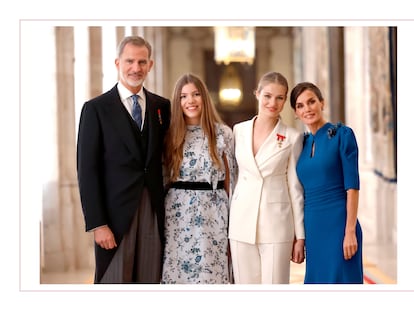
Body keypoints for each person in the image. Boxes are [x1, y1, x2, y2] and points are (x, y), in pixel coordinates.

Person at [76, 35, 171, 283]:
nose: (135, 68)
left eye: (142, 62)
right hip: (114, 217)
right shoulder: (95, 109)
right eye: (130, 61)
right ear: (117, 63)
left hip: (152, 210)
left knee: (150, 280)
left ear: (150, 65)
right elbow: (87, 171)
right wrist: (98, 224)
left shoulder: (163, 107)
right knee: (113, 283)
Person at [228, 71, 305, 284]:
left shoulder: (292, 136)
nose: (273, 102)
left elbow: (295, 188)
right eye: (268, 96)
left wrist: (300, 236)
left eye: (280, 98)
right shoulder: (238, 131)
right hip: (241, 221)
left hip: (276, 223)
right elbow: (233, 178)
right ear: (257, 94)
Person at [161, 73, 237, 284]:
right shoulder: (169, 135)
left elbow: (231, 182)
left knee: (211, 274)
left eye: (195, 94)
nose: (190, 101)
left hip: (214, 213)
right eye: (183, 96)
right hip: (177, 216)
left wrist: (233, 225)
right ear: (177, 102)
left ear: (204, 97)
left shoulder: (223, 133)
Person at [290, 82, 363, 284]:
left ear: (322, 103)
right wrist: (299, 236)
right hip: (314, 229)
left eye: (312, 102)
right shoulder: (302, 144)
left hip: (340, 225)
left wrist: (349, 232)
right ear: (295, 112)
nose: (307, 109)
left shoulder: (343, 135)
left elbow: (353, 187)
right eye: (301, 105)